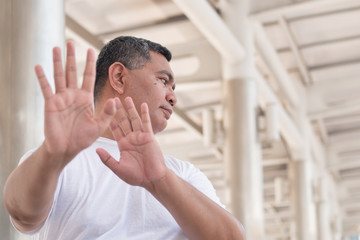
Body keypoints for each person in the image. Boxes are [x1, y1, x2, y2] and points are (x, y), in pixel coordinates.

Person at [3, 36, 245, 240]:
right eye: (163, 81)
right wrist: (52, 154)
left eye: (174, 88)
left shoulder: (183, 173)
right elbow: (22, 213)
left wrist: (159, 180)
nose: (173, 98)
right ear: (119, 77)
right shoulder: (56, 161)